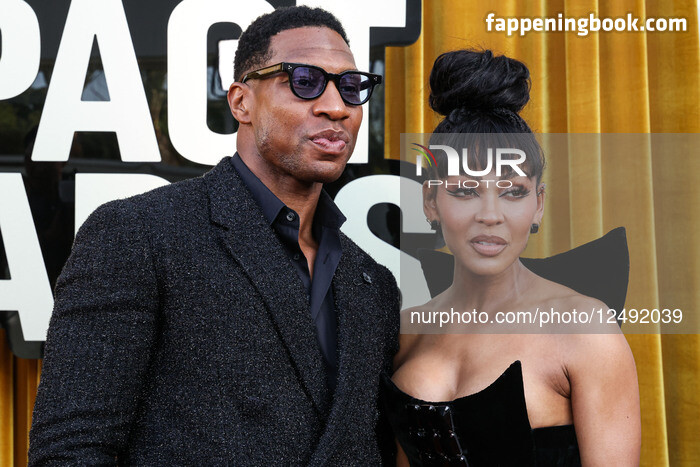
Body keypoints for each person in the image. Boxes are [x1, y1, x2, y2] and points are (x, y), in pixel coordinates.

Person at [29, 6, 399, 465]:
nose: (336, 106)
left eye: (351, 87)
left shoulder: (372, 283)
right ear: (241, 102)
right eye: (304, 81)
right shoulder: (139, 234)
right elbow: (70, 450)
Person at [382, 50, 641, 466]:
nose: (490, 215)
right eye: (465, 190)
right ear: (430, 200)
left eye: (513, 192)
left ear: (538, 204)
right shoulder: (404, 333)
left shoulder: (586, 330)